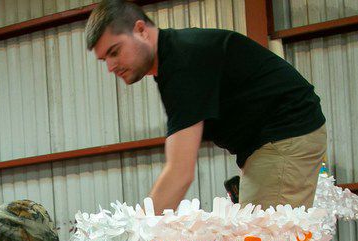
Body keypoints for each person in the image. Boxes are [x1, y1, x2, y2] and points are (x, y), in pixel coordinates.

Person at [86, 0, 327, 211]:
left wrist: (137, 235)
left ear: (140, 30)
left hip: (287, 132)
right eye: (104, 59)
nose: (110, 67)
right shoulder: (173, 62)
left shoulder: (184, 62)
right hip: (270, 140)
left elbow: (180, 172)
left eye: (114, 52)